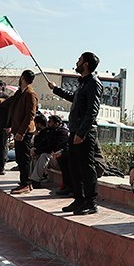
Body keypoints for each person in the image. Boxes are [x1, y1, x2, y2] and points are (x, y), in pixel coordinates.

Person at [48, 51, 103, 215]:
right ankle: (79, 199)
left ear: (85, 64)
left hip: (84, 133)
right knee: (74, 167)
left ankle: (91, 202)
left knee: (86, 167)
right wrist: (56, 89)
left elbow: (92, 111)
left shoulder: (93, 83)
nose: (77, 62)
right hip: (75, 130)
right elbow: (74, 98)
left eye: (79, 60)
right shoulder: (83, 83)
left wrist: (82, 133)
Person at [0, 70, 38, 194]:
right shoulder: (19, 93)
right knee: (20, 158)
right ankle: (24, 182)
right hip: (18, 131)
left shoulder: (30, 94)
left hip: (24, 132)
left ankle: (26, 184)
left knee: (24, 158)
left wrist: (21, 132)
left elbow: (30, 116)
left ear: (23, 78)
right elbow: (5, 103)